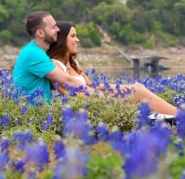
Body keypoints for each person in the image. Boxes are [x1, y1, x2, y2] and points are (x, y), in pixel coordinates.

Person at [45, 21, 178, 118]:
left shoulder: (73, 63)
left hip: (99, 100)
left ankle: (175, 119)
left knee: (136, 87)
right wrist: (108, 98)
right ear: (62, 40)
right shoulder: (55, 66)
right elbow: (67, 93)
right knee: (137, 95)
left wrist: (119, 87)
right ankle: (180, 118)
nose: (78, 40)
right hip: (90, 108)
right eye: (73, 36)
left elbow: (91, 85)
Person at [11, 11, 86, 102]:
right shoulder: (34, 53)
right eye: (53, 27)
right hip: (31, 112)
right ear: (40, 33)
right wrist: (87, 88)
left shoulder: (35, 51)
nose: (58, 30)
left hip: (40, 110)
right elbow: (67, 81)